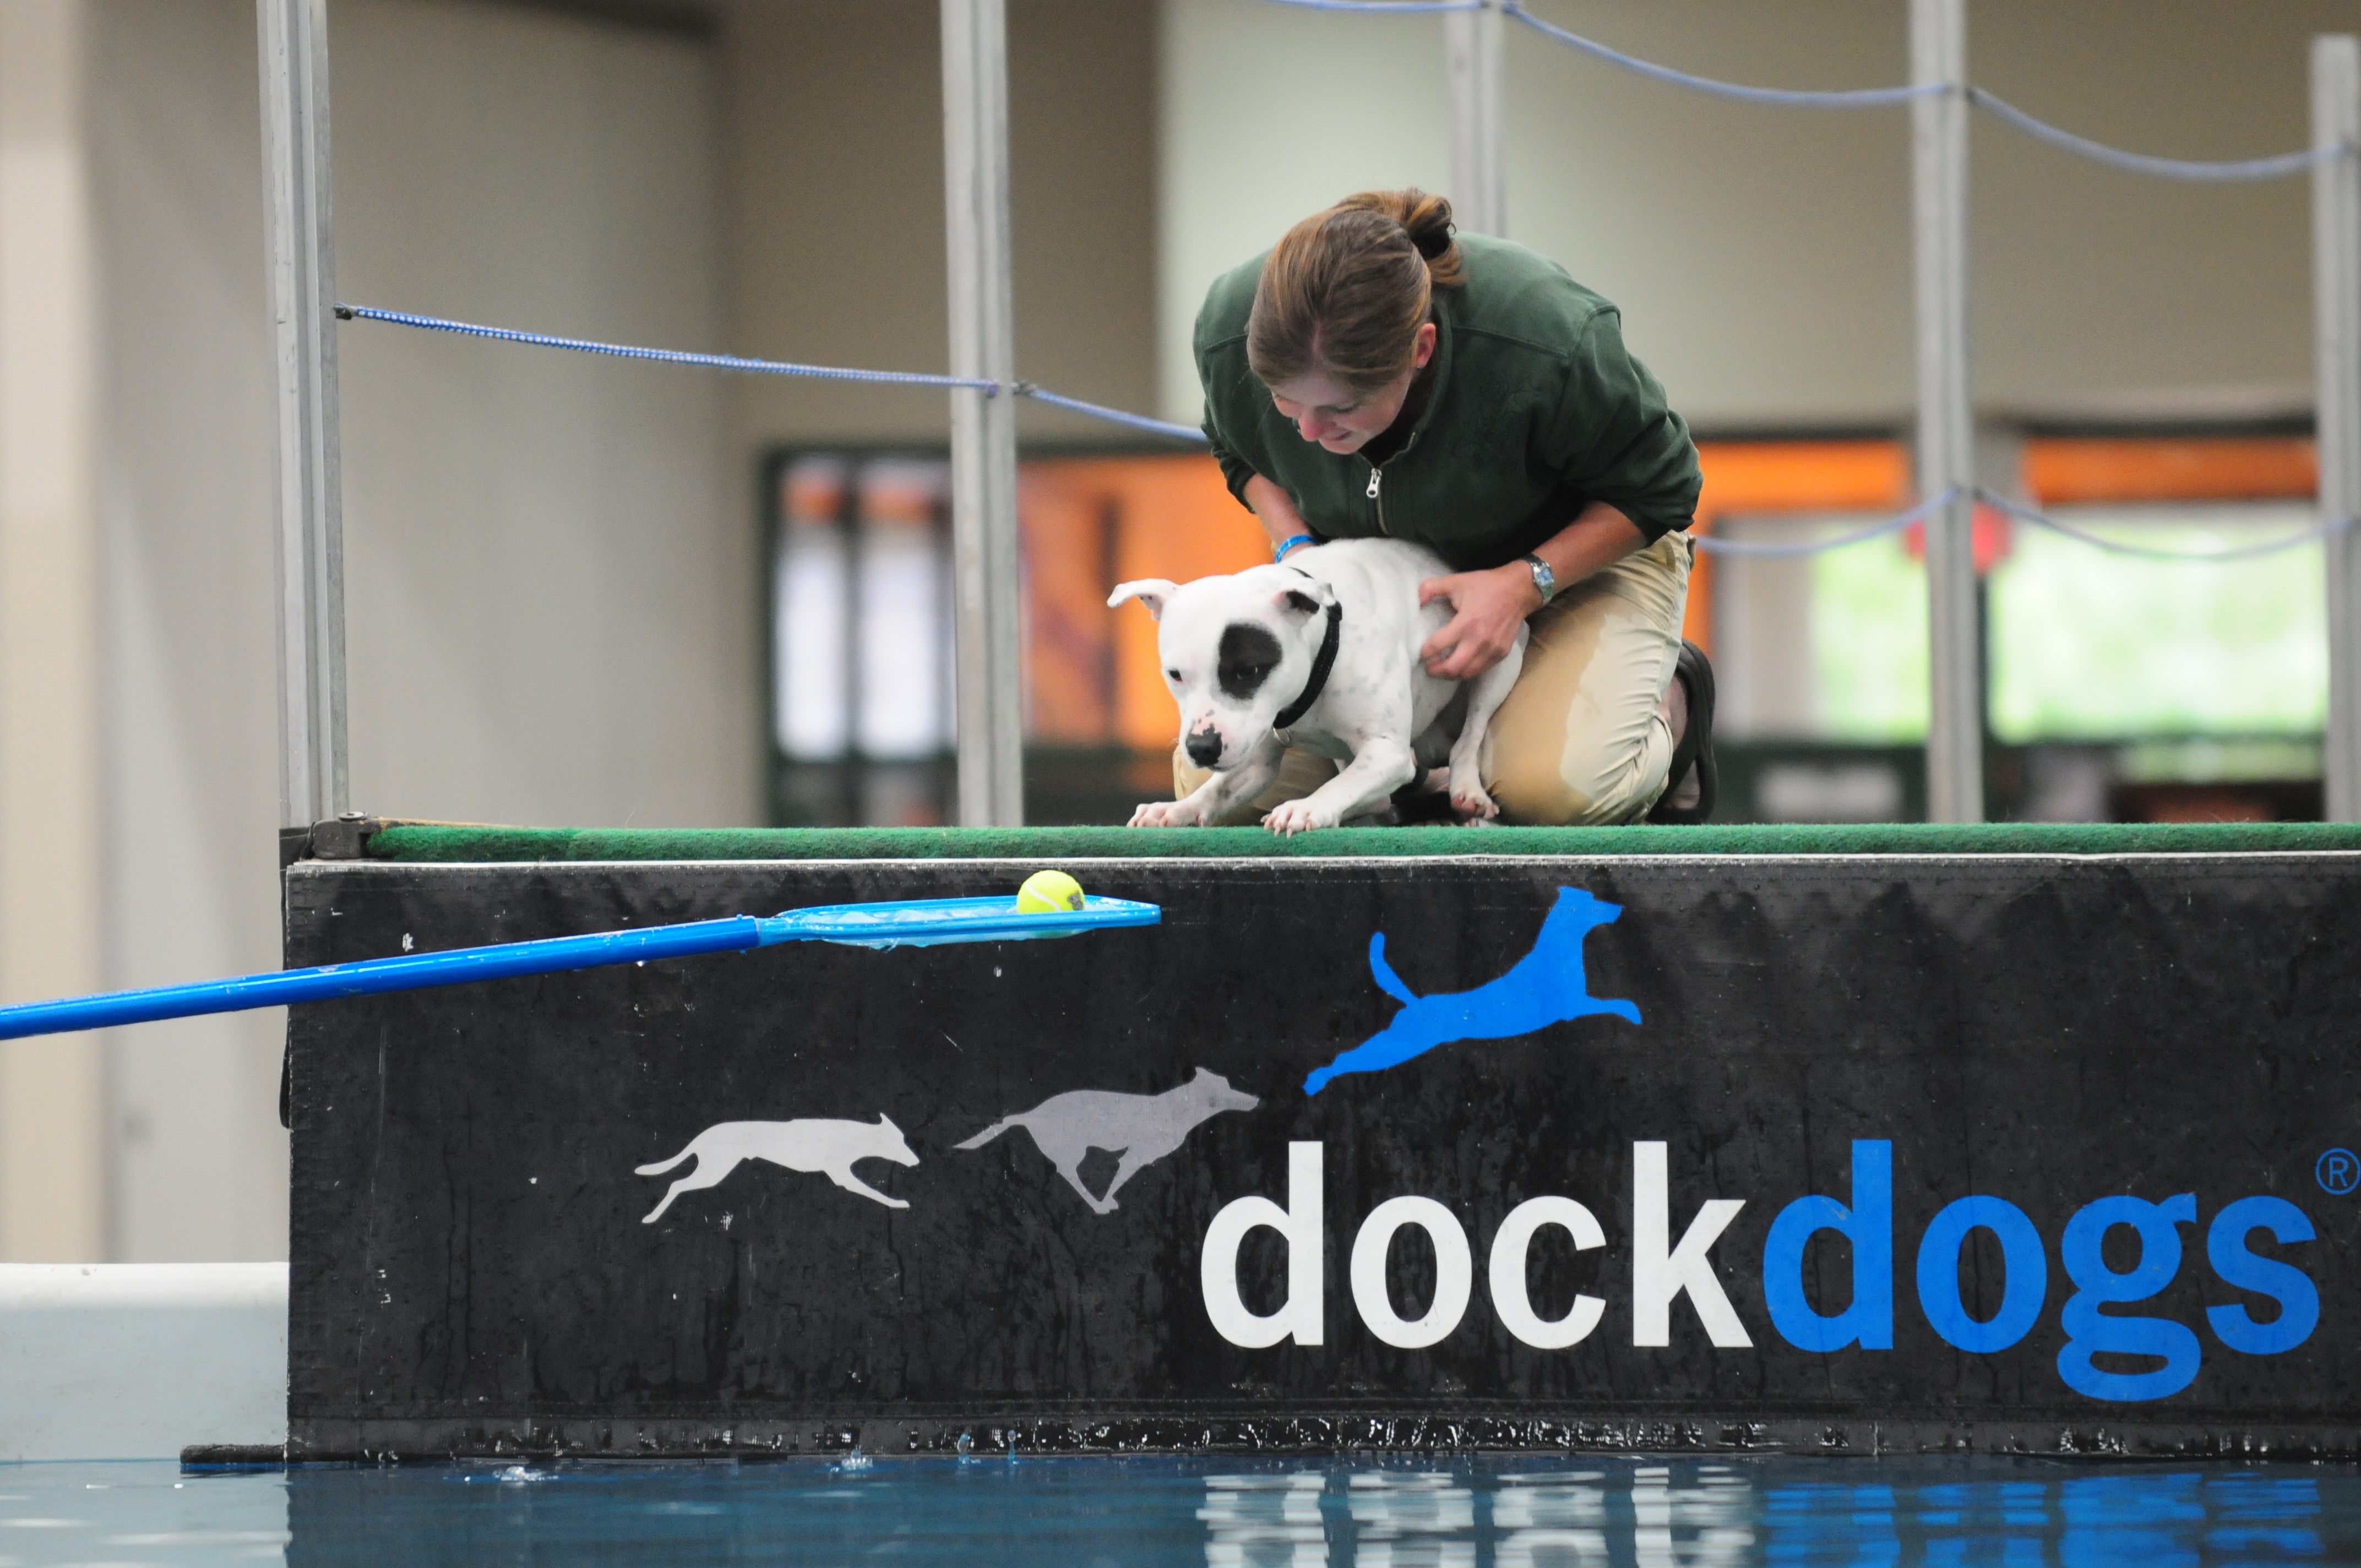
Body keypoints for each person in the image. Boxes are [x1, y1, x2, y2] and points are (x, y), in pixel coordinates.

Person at [1177, 189, 1715, 826]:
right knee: (1227, 785)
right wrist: (1295, 547)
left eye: (1341, 408)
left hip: (1582, 553)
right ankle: (1422, 775)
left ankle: (1669, 706)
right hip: (1380, 588)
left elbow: (1663, 487)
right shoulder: (1228, 324)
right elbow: (1236, 449)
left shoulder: (1548, 340)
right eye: (1285, 402)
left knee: (1553, 792)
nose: (1309, 433)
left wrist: (1525, 584)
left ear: (1421, 350)